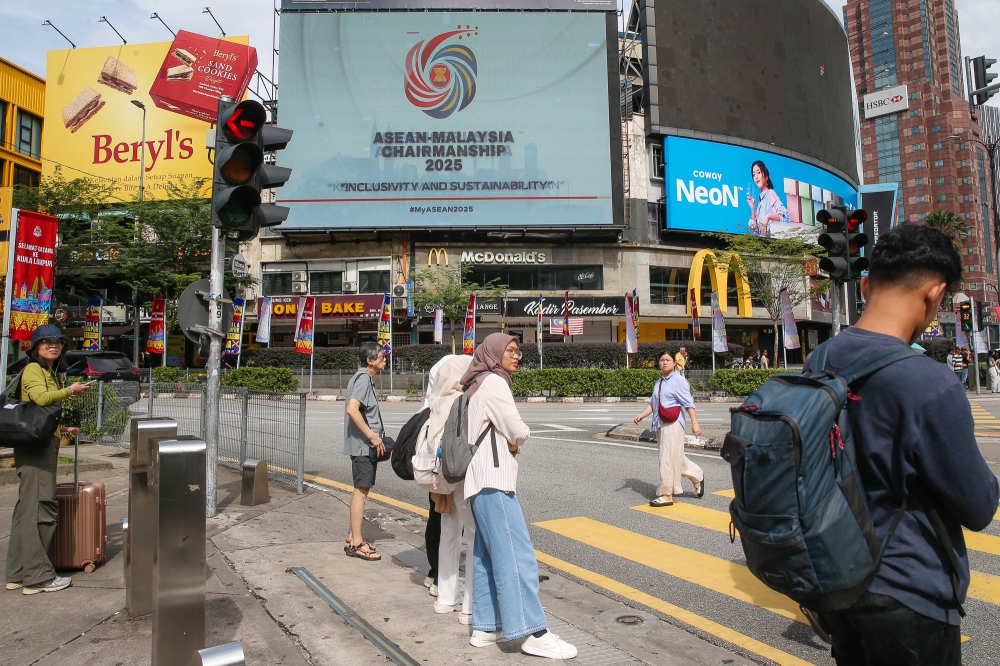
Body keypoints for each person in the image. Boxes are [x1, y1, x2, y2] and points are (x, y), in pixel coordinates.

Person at [803, 224, 998, 665]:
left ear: (867, 283)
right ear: (935, 294)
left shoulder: (820, 360)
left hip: (838, 584)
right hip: (909, 592)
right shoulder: (930, 382)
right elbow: (977, 506)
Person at [462, 333, 577, 659]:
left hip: (477, 484)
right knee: (518, 556)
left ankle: (485, 627)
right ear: (496, 354)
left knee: (485, 557)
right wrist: (515, 440)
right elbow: (518, 430)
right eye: (510, 351)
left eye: (518, 351)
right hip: (495, 482)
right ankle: (534, 632)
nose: (517, 356)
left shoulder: (476, 383)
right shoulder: (496, 383)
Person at [6, 325, 91, 594]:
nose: (53, 346)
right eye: (46, 342)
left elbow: (37, 415)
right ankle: (38, 576)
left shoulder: (46, 371)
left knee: (26, 509)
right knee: (41, 509)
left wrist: (64, 430)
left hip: (39, 444)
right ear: (35, 347)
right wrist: (70, 391)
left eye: (58, 342)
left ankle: (18, 573)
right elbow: (41, 399)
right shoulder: (34, 369)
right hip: (37, 451)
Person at [419, 355, 475, 622]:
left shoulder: (435, 402)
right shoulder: (463, 402)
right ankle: (470, 606)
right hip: (463, 476)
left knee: (448, 535)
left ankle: (445, 597)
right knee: (474, 537)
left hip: (439, 480)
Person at [633, 351, 704, 506]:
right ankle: (697, 474)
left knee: (666, 458)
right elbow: (653, 403)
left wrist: (695, 424)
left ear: (674, 363)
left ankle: (667, 494)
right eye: (661, 360)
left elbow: (688, 403)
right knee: (674, 457)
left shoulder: (679, 381)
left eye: (667, 360)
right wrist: (642, 415)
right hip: (660, 423)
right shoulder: (659, 382)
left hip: (673, 424)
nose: (664, 362)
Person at [343, 341, 387, 561]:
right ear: (370, 360)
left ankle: (353, 538)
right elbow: (352, 409)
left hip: (362, 446)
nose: (384, 359)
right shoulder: (363, 379)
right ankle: (358, 543)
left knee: (360, 490)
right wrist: (372, 435)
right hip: (363, 447)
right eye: (381, 356)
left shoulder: (363, 379)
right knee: (361, 492)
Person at [420, 354, 459, 597]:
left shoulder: (431, 403)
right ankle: (441, 578)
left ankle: (435, 573)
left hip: (433, 473)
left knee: (437, 517)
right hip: (448, 472)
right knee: (451, 524)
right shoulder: (452, 402)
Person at [746, 160, 790, 237]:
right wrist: (752, 208)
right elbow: (755, 230)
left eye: (758, 172)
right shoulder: (760, 201)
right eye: (754, 174)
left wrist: (768, 217)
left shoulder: (770, 193)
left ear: (766, 177)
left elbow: (786, 216)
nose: (756, 177)